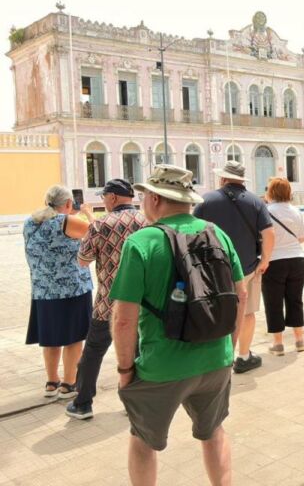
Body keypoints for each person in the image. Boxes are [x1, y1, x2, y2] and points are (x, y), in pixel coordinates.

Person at [110, 165, 247, 486]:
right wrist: (228, 348)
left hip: (161, 366)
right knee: (213, 432)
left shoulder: (141, 242)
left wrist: (125, 369)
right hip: (216, 360)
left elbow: (123, 318)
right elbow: (239, 293)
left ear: (155, 199)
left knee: (143, 441)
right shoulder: (218, 233)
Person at [67, 179, 147, 420]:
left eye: (104, 197)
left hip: (108, 304)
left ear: (112, 197)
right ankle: (134, 402)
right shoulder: (147, 221)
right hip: (143, 303)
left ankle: (82, 403)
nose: (103, 201)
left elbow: (83, 259)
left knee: (93, 352)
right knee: (138, 352)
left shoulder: (101, 224)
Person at [194, 160, 275, 374]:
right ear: (242, 180)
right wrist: (265, 260)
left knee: (216, 311)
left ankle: (217, 356)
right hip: (248, 268)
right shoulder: (256, 202)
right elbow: (269, 234)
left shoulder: (206, 201)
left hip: (213, 270)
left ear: (222, 178)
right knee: (247, 313)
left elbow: (192, 233)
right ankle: (243, 356)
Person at [24, 185, 93, 399]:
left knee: (51, 339)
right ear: (69, 204)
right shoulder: (68, 222)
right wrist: (88, 213)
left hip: (43, 291)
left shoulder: (30, 222)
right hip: (72, 290)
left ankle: (51, 382)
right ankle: (68, 384)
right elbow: (96, 233)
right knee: (74, 339)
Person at [262, 177, 304, 355]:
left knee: (273, 302)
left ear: (271, 192)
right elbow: (303, 238)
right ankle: (299, 341)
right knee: (295, 300)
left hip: (274, 261)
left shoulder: (265, 211)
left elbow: (262, 237)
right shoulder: (296, 211)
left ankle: (278, 344)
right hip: (297, 259)